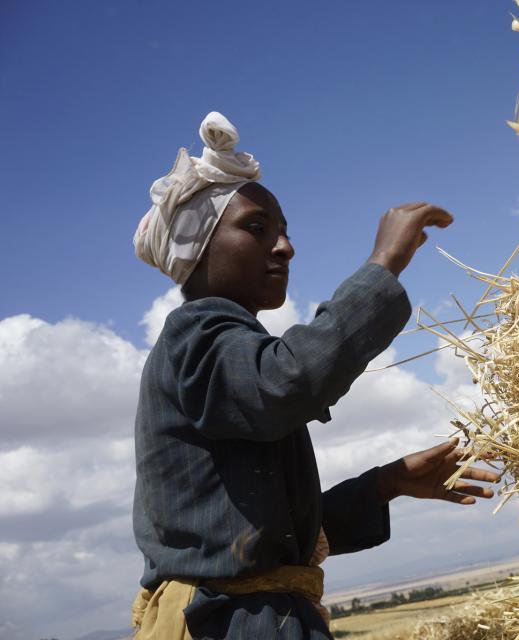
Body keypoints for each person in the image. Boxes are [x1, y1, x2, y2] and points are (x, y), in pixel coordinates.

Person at [129, 112, 498, 639]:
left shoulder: (223, 351)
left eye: (283, 232)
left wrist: (385, 484)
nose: (284, 247)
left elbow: (268, 536)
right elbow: (285, 384)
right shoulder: (198, 332)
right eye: (256, 230)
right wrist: (382, 265)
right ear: (198, 250)